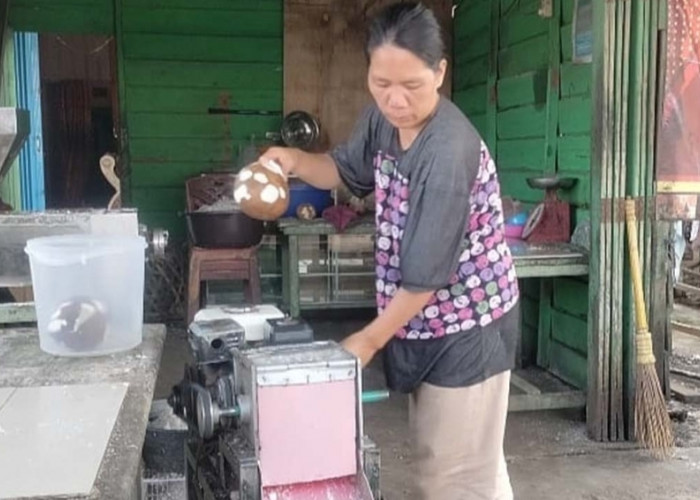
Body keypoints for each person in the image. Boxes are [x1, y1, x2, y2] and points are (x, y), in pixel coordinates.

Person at [259, 3, 520, 499]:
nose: (395, 100)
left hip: (469, 326)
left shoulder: (447, 151)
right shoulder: (384, 121)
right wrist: (292, 160)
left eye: (412, 86)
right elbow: (343, 170)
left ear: (440, 73)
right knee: (468, 467)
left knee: (452, 478)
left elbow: (424, 278)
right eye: (381, 83)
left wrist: (368, 340)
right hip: (429, 319)